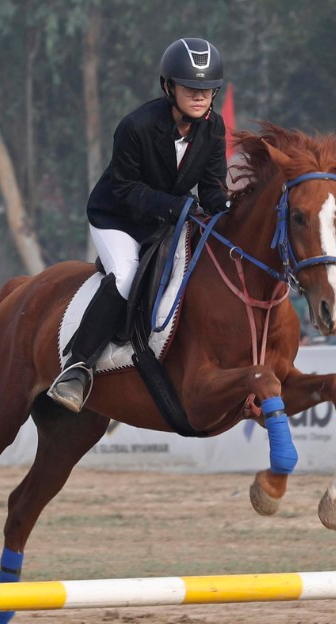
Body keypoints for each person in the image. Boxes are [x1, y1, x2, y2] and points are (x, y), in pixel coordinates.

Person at [48, 37, 230, 412]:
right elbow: (126, 188)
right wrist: (177, 205)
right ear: (169, 87)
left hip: (166, 220)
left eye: (208, 89)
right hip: (117, 217)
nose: (200, 96)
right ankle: (77, 366)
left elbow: (211, 188)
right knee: (128, 275)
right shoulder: (137, 126)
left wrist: (230, 211)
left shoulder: (213, 129)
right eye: (191, 88)